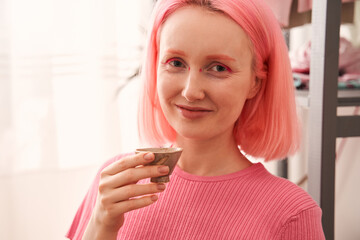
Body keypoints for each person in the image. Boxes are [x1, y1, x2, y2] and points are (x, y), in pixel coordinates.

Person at [66, 0, 325, 239]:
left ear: (255, 83)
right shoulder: (116, 183)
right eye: (176, 62)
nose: (191, 91)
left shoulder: (291, 214)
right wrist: (100, 225)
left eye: (218, 68)